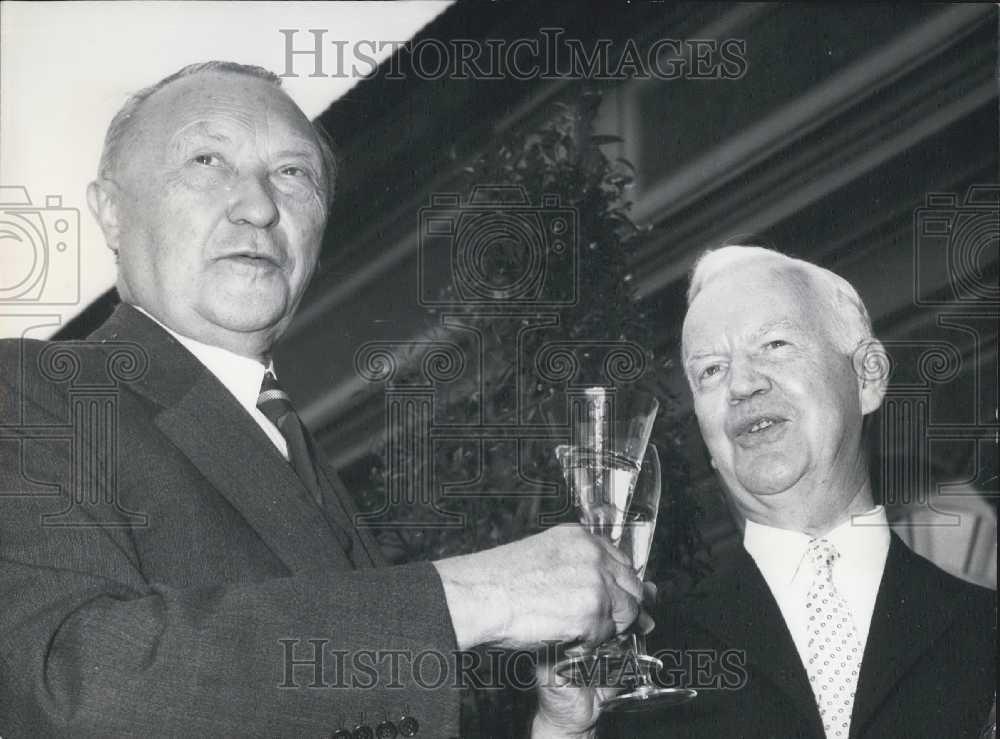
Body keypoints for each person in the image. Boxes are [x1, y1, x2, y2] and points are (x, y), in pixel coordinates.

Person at [0, 62, 646, 737]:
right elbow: (62, 684)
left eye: (293, 173)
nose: (259, 206)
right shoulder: (32, 391)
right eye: (206, 160)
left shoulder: (292, 450)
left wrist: (557, 730)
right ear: (111, 211)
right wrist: (480, 595)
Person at [537, 245, 996, 737]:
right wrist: (563, 730)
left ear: (867, 376)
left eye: (775, 344)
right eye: (711, 370)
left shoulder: (986, 629)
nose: (741, 385)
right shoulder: (639, 671)